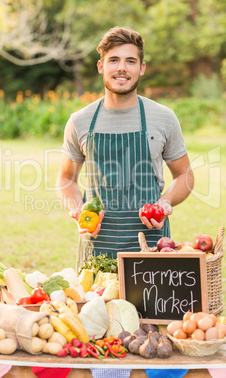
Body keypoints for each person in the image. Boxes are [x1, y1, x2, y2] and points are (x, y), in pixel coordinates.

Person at [56, 26, 194, 271]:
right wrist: (78, 211)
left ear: (141, 68)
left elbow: (184, 175)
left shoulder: (164, 118)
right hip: (97, 244)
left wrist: (164, 203)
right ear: (101, 66)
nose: (122, 68)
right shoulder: (80, 120)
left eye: (130, 61)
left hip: (151, 244)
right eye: (114, 60)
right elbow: (66, 179)